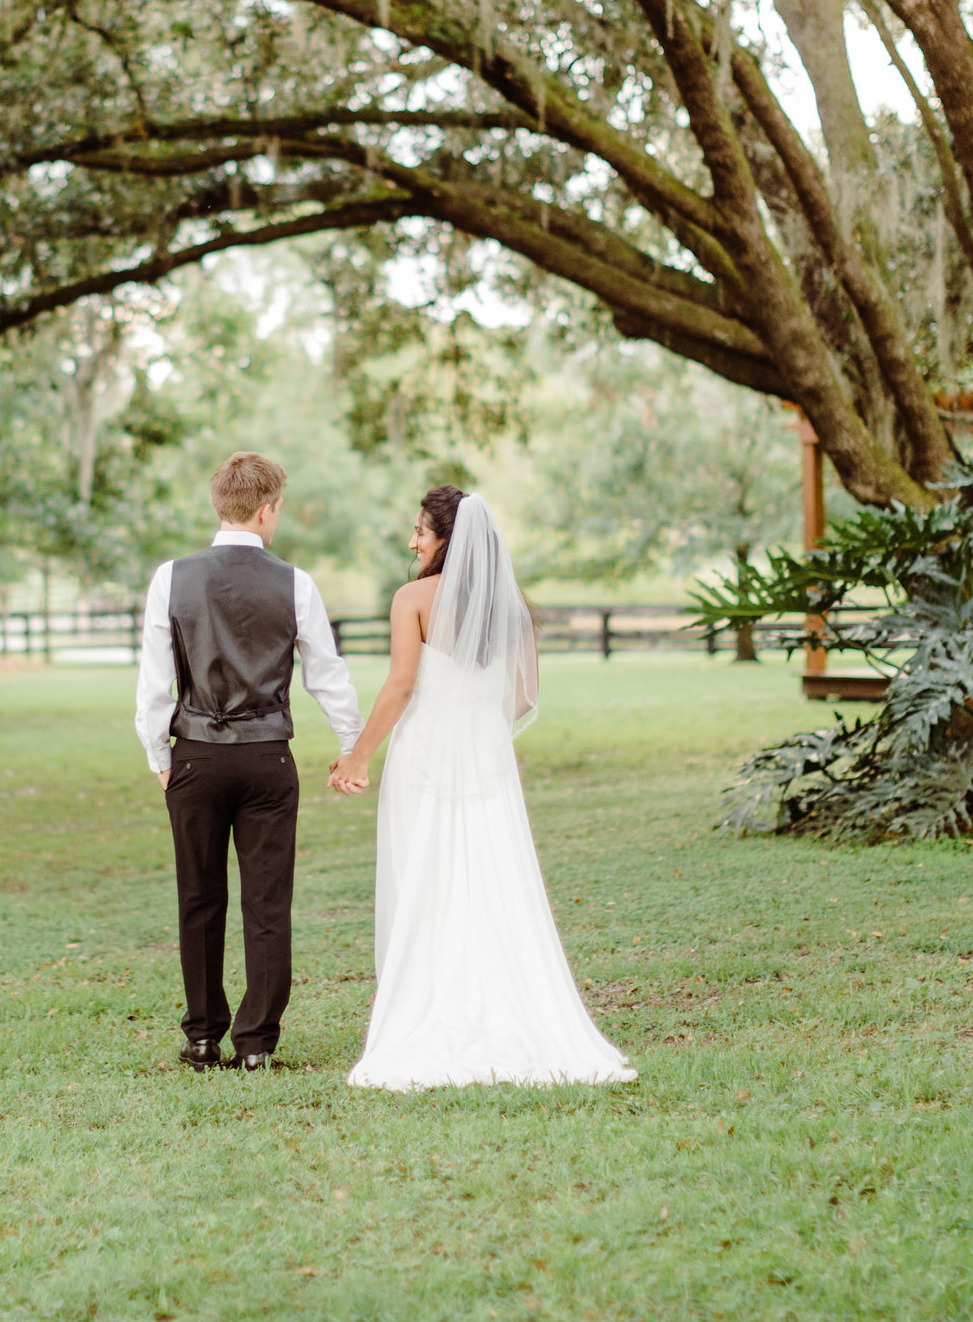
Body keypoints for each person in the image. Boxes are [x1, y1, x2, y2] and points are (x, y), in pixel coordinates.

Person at [329, 486, 636, 1091]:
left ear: (448, 538)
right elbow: (522, 698)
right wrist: (480, 731)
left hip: (424, 756)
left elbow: (399, 688)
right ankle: (505, 1007)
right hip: (487, 756)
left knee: (425, 875)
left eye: (421, 530)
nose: (412, 542)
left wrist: (356, 757)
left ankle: (431, 1007)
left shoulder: (413, 598)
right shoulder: (512, 606)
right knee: (493, 880)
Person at [135, 451, 363, 1071]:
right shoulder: (296, 582)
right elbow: (327, 675)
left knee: (198, 898)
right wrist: (352, 743)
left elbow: (155, 681)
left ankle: (203, 1036)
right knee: (268, 902)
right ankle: (256, 1043)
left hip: (196, 758)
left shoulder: (170, 577)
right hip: (267, 759)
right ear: (267, 510)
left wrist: (159, 753)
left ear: (220, 505)